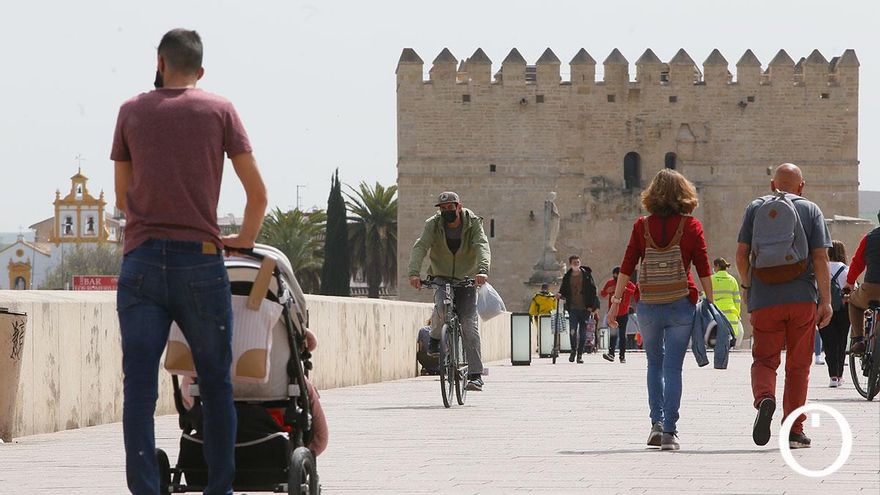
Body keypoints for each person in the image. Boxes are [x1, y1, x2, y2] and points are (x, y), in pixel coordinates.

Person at [111, 28, 268, 494]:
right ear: (200, 70)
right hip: (201, 263)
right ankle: (218, 488)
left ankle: (145, 489)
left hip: (141, 262)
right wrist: (241, 239)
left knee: (139, 388)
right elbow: (257, 195)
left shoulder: (130, 112)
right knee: (216, 384)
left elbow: (123, 197)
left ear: (159, 62)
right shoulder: (220, 110)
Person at [608, 169, 713, 451]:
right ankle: (670, 431)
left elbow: (627, 265)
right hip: (681, 302)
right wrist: (711, 300)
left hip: (649, 305)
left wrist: (616, 303)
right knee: (673, 367)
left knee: (654, 364)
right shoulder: (691, 226)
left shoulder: (642, 226)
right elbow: (703, 266)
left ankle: (655, 424)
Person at [735, 163, 832, 450]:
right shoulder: (811, 210)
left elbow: (741, 255)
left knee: (765, 359)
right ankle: (794, 430)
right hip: (801, 299)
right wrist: (825, 301)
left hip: (765, 299)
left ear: (772, 186)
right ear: (802, 186)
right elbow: (820, 258)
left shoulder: (755, 208)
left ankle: (765, 397)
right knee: (798, 365)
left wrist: (748, 285)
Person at [408, 191, 491, 391]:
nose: (446, 211)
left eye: (450, 208)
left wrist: (482, 270)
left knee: (469, 325)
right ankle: (436, 338)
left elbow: (482, 245)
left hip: (467, 278)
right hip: (441, 275)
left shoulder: (472, 223)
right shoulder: (433, 224)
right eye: (443, 208)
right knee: (441, 307)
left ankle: (475, 375)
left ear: (458, 207)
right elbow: (421, 246)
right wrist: (413, 273)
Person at [842, 213, 880, 356]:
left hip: (871, 288)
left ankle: (859, 339)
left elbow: (857, 263)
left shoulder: (869, 238)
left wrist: (849, 284)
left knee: (853, 302)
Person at [557, 255, 600, 363]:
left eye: (578, 262)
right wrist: (559, 294)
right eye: (574, 262)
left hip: (585, 308)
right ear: (571, 264)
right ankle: (573, 350)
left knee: (583, 332)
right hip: (572, 308)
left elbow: (593, 291)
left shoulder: (586, 275)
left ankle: (580, 354)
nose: (577, 263)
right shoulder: (567, 276)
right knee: (572, 331)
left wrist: (592, 306)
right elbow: (563, 289)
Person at [820, 241, 850, 388]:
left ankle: (832, 375)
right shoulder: (845, 269)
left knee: (829, 343)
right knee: (841, 341)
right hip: (843, 309)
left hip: (825, 308)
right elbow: (853, 288)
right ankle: (840, 375)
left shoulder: (822, 268)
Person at [601, 267, 636, 363]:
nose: (616, 278)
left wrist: (626, 290)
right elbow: (602, 294)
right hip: (612, 314)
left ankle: (622, 356)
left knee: (622, 335)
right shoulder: (610, 283)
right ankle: (611, 354)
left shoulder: (628, 284)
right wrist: (608, 290)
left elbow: (636, 293)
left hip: (624, 313)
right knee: (613, 334)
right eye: (614, 276)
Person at [710, 258, 743, 348]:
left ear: (717, 266)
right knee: (729, 346)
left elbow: (706, 298)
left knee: (716, 345)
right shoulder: (732, 280)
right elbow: (737, 299)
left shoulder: (711, 279)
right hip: (731, 316)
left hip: (716, 315)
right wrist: (737, 314)